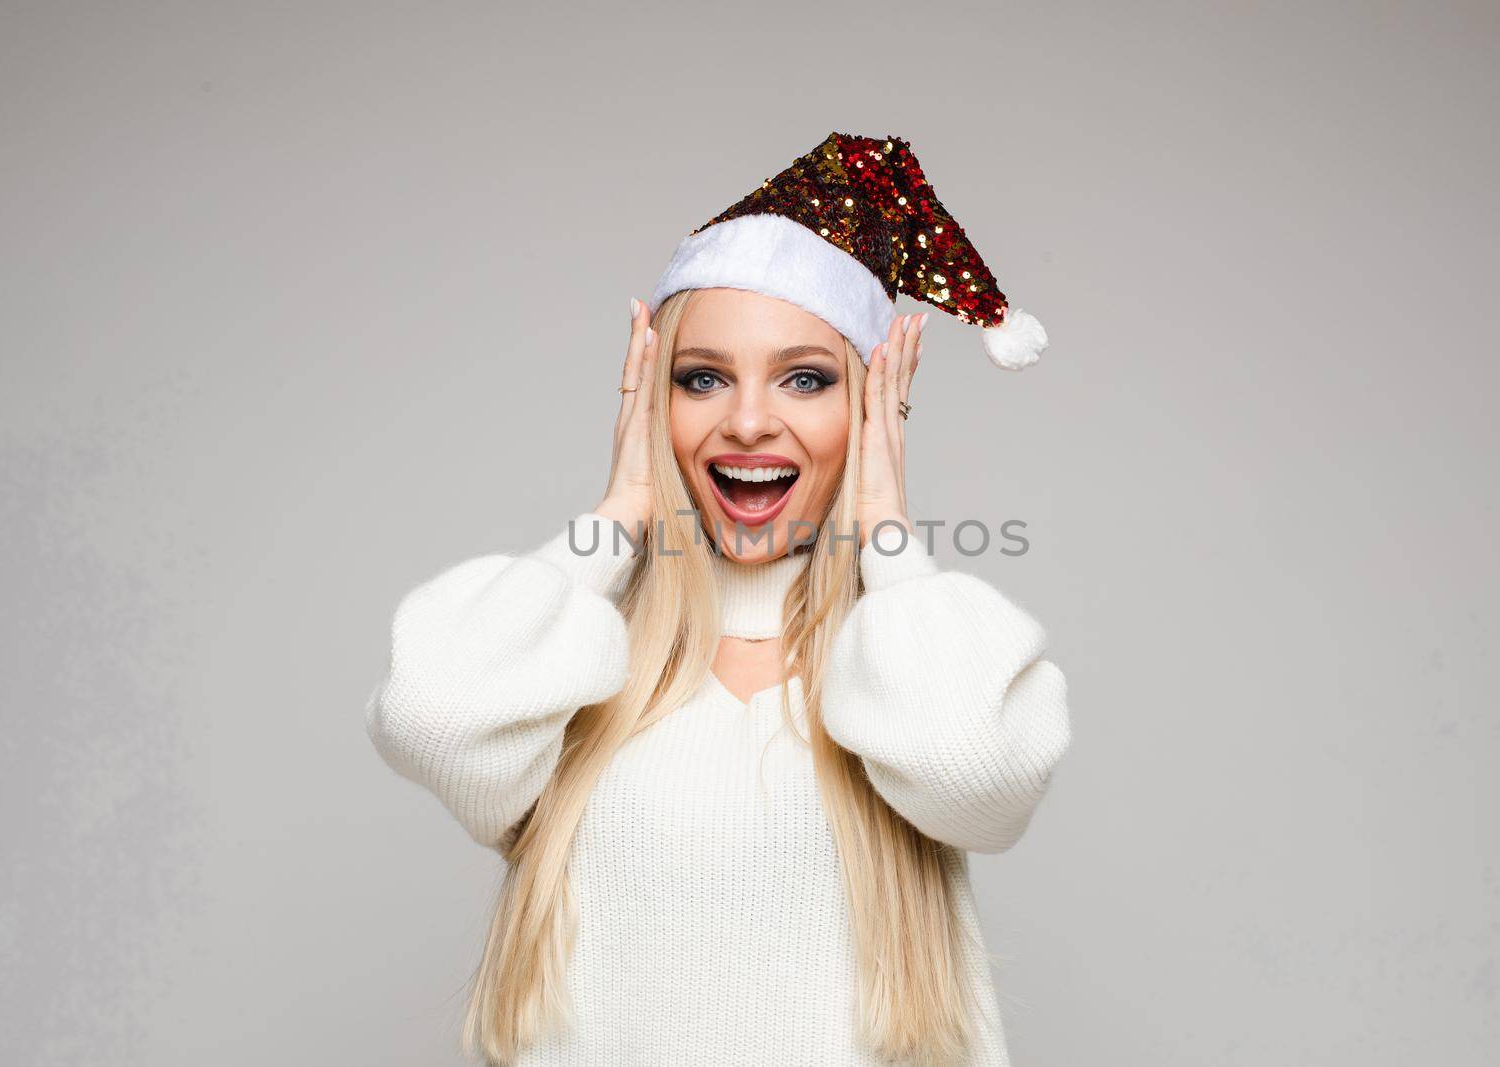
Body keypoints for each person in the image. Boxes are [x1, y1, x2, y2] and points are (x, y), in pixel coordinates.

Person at [365, 132, 1072, 1067]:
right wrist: (619, 511)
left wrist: (884, 527)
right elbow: (434, 714)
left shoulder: (908, 665)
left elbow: (975, 770)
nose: (745, 420)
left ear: (869, 406)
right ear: (655, 401)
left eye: (806, 378)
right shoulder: (571, 662)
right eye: (702, 378)